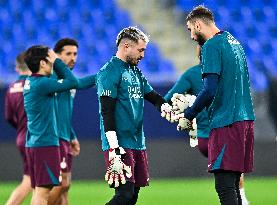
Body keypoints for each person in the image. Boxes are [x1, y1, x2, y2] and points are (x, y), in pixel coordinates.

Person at [177, 5, 255, 205]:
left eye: (190, 30)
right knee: (234, 184)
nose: (192, 36)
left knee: (224, 186)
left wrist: (189, 114)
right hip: (245, 121)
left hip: (226, 121)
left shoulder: (211, 45)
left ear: (198, 24)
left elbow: (210, 89)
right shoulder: (235, 43)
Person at [165, 45, 250, 204]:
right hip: (224, 135)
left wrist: (186, 105)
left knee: (227, 180)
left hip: (204, 139)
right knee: (229, 185)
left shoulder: (191, 74)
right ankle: (243, 199)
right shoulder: (229, 73)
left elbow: (169, 98)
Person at [96, 26, 172, 205]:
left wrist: (171, 110)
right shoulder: (109, 72)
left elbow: (154, 97)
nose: (143, 55)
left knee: (133, 196)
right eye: (141, 50)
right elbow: (106, 111)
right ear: (126, 47)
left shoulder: (135, 72)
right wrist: (114, 148)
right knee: (124, 195)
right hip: (119, 143)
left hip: (137, 141)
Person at [23, 45, 78, 205]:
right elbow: (73, 81)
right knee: (43, 193)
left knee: (39, 190)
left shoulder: (31, 81)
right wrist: (59, 61)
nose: (53, 64)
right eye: (51, 60)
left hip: (34, 142)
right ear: (42, 63)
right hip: (45, 143)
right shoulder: (42, 84)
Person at [48, 38, 96, 205]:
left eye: (75, 54)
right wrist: (107, 72)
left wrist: (72, 135)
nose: (73, 58)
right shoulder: (52, 78)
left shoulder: (69, 80)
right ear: (57, 56)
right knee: (61, 184)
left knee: (64, 190)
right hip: (52, 140)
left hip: (64, 138)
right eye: (68, 54)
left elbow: (63, 113)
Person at [5, 52, 32, 205]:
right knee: (32, 181)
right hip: (35, 138)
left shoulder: (11, 88)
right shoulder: (34, 84)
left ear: (17, 68)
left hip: (21, 135)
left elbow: (9, 117)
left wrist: (21, 127)